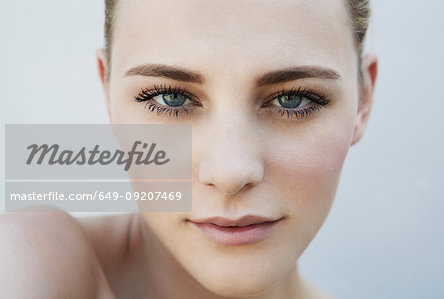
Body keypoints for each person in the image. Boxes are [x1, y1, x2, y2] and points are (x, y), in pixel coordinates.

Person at [0, 0, 378, 298]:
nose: (231, 172)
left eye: (293, 100)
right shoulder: (30, 261)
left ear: (363, 101)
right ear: (108, 95)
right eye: (171, 97)